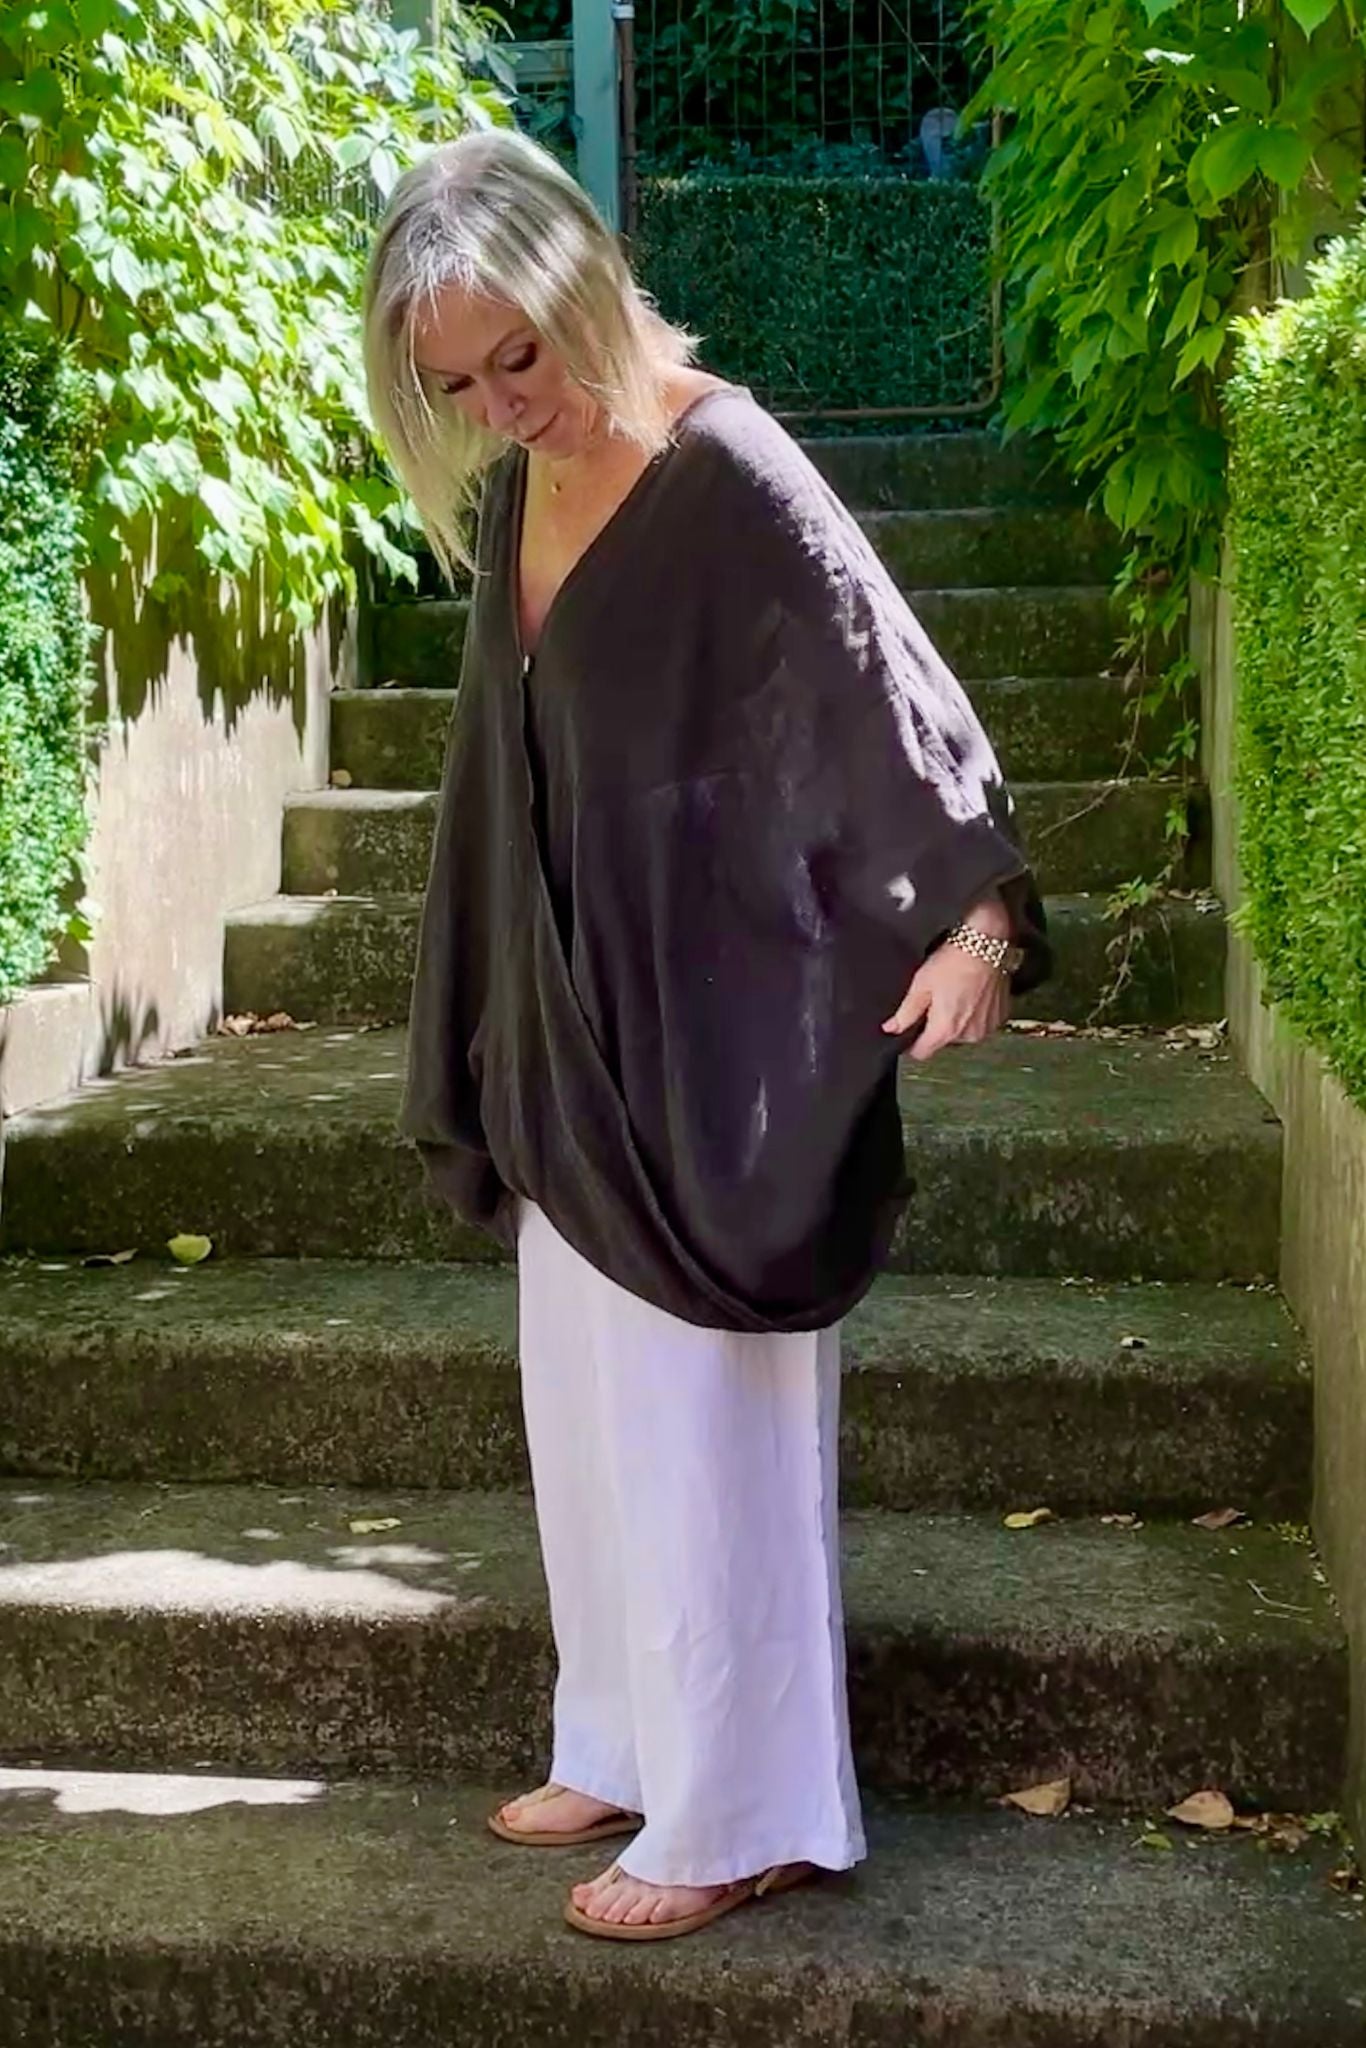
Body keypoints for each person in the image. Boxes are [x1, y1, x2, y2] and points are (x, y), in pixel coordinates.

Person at [361, 127, 1047, 1943]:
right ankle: (621, 1735)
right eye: (457, 384)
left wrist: (972, 918)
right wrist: (487, 1006)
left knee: (702, 1434)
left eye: (521, 355)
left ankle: (743, 1810)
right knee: (592, 1426)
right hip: (574, 1034)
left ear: (584, 280)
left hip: (716, 1039)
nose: (502, 405)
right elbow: (508, 776)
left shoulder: (724, 461)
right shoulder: (516, 496)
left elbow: (883, 687)